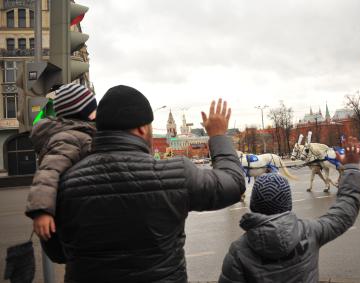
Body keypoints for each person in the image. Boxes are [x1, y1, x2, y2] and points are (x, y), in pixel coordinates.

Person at [55, 85, 246, 283]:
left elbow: (57, 253)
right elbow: (232, 184)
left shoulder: (67, 182)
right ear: (142, 128)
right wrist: (218, 136)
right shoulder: (175, 174)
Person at [219, 137, 360, 283]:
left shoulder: (238, 252)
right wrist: (352, 168)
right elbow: (344, 212)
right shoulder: (310, 232)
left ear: (254, 205)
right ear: (288, 203)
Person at [25, 83, 97, 241]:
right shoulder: (69, 138)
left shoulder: (79, 133)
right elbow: (49, 171)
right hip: (72, 209)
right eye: (93, 109)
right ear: (83, 113)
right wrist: (42, 211)